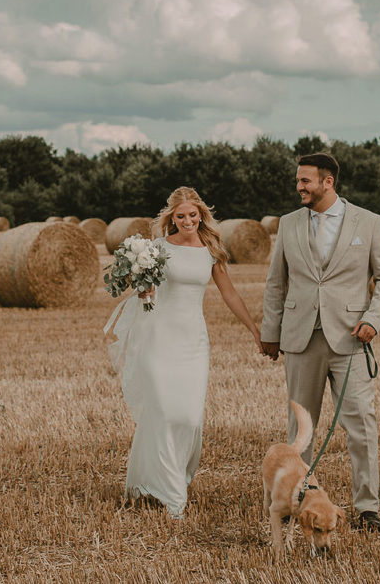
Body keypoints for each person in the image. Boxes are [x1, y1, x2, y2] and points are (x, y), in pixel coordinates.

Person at [105, 186, 267, 519]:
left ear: (201, 215)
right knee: (163, 411)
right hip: (158, 338)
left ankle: (161, 479)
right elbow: (142, 292)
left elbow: (231, 295)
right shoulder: (156, 249)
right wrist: (143, 288)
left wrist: (254, 328)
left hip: (193, 342)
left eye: (193, 215)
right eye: (181, 216)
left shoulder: (211, 251)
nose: (188, 220)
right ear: (172, 218)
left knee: (189, 417)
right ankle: (172, 496)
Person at [260, 152, 380, 532]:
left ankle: (368, 507)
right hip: (300, 338)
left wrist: (373, 319)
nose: (299, 187)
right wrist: (270, 333)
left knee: (361, 426)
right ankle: (294, 503)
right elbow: (276, 283)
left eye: (305, 181)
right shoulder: (287, 224)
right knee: (300, 430)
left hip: (351, 339)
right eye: (298, 180)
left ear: (328, 182)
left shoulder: (368, 223)